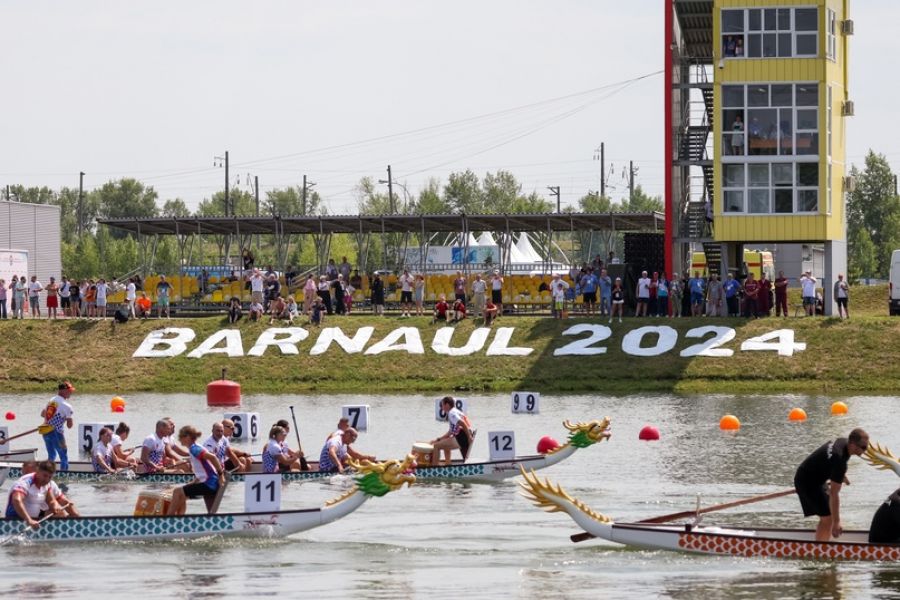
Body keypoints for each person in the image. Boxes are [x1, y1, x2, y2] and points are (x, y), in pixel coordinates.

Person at [794, 428, 869, 541]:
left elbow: (828, 460)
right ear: (853, 444)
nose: (865, 450)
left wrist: (840, 476)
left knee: (828, 512)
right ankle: (820, 552)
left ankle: (822, 540)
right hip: (806, 482)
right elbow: (834, 494)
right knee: (828, 519)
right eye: (864, 447)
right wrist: (836, 522)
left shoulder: (843, 442)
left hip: (813, 476)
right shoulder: (839, 461)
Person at [167, 425, 224, 516]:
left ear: (187, 437)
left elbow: (213, 458)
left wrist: (221, 475)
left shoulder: (194, 449)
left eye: (181, 437)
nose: (179, 440)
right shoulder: (196, 447)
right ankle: (180, 519)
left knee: (177, 492)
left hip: (209, 484)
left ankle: (168, 519)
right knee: (211, 513)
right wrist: (193, 482)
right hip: (212, 483)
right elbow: (204, 471)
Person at [4, 461, 78, 527]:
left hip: (35, 518)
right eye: (45, 476)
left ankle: (76, 525)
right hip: (15, 520)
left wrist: (55, 506)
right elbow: (17, 500)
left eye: (49, 477)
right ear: (38, 472)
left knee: (59, 513)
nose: (47, 480)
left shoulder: (47, 484)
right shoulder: (26, 482)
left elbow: (51, 501)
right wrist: (28, 520)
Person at [40, 381, 75, 470]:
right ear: (62, 391)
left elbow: (42, 414)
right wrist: (69, 417)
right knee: (63, 455)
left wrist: (53, 416)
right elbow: (69, 426)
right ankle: (64, 474)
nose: (71, 392)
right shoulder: (67, 406)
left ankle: (45, 472)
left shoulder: (51, 400)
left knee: (51, 455)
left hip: (45, 430)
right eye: (69, 391)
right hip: (56, 432)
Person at [429, 396, 473, 466]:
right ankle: (448, 464)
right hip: (463, 435)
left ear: (447, 405)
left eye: (442, 405)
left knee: (436, 446)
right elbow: (450, 432)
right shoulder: (456, 411)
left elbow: (463, 423)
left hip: (462, 436)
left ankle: (434, 468)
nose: (441, 407)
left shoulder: (451, 413)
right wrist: (438, 439)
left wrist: (469, 437)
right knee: (444, 443)